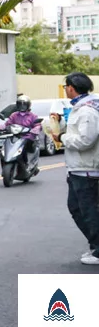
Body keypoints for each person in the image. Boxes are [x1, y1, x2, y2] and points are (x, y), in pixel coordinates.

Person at [60, 72, 99, 266]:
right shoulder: (83, 107)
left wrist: (63, 138)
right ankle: (95, 245)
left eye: (66, 86)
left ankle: (98, 250)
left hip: (86, 169)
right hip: (78, 168)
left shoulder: (87, 110)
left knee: (88, 210)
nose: (65, 90)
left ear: (71, 88)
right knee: (77, 208)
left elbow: (86, 140)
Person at [5, 94, 41, 167]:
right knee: (7, 143)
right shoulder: (14, 115)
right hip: (16, 136)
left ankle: (27, 163)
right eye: (20, 104)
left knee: (25, 147)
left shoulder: (32, 116)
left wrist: (35, 129)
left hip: (28, 137)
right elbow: (8, 123)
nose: (22, 106)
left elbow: (37, 125)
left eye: (24, 104)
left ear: (28, 105)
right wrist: (2, 127)